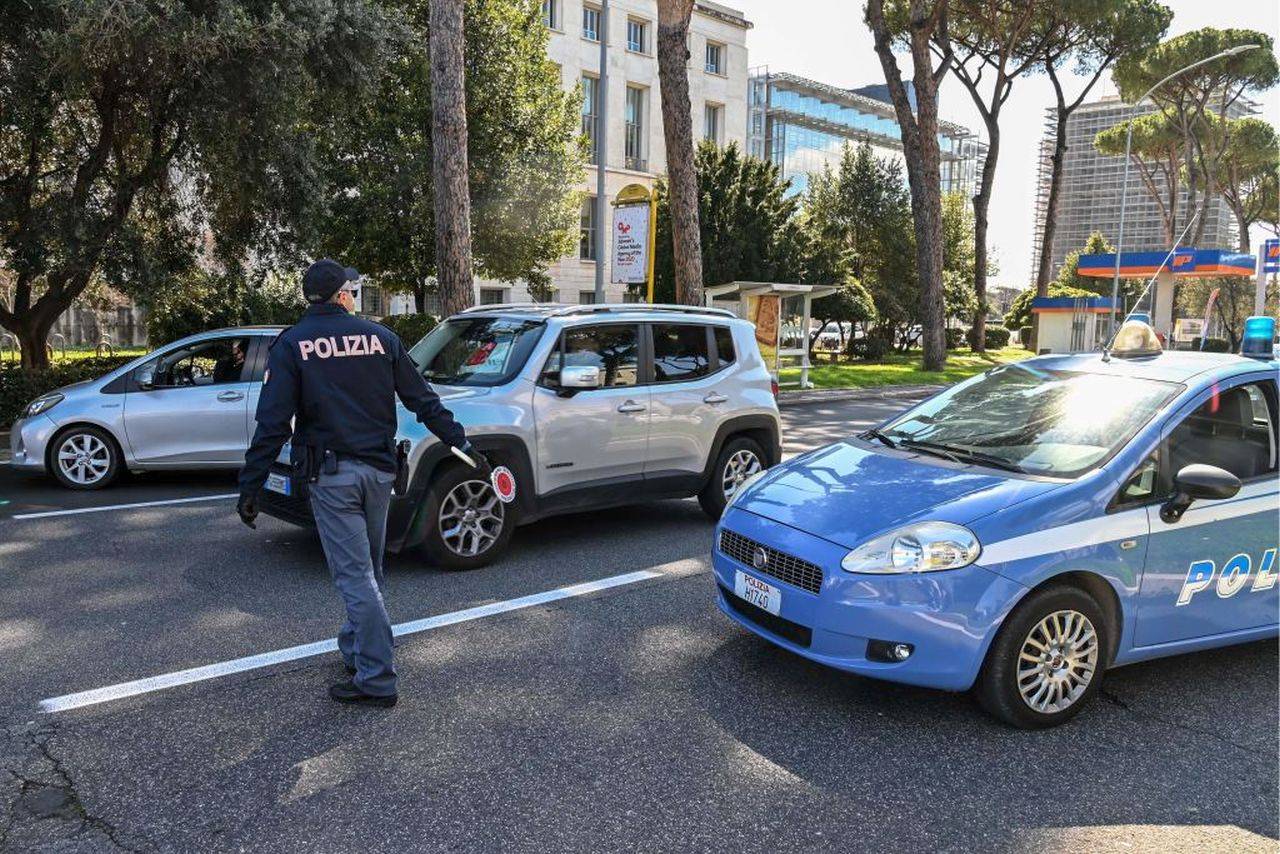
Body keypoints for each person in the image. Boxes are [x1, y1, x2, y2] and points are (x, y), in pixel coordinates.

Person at [237, 259, 486, 708]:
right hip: (380, 473)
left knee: (355, 578)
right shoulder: (381, 338)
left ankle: (376, 677)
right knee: (368, 574)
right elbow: (422, 401)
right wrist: (462, 443)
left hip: (332, 478)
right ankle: (356, 651)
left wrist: (251, 485)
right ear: (342, 296)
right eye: (353, 290)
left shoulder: (292, 345)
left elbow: (272, 423)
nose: (354, 295)